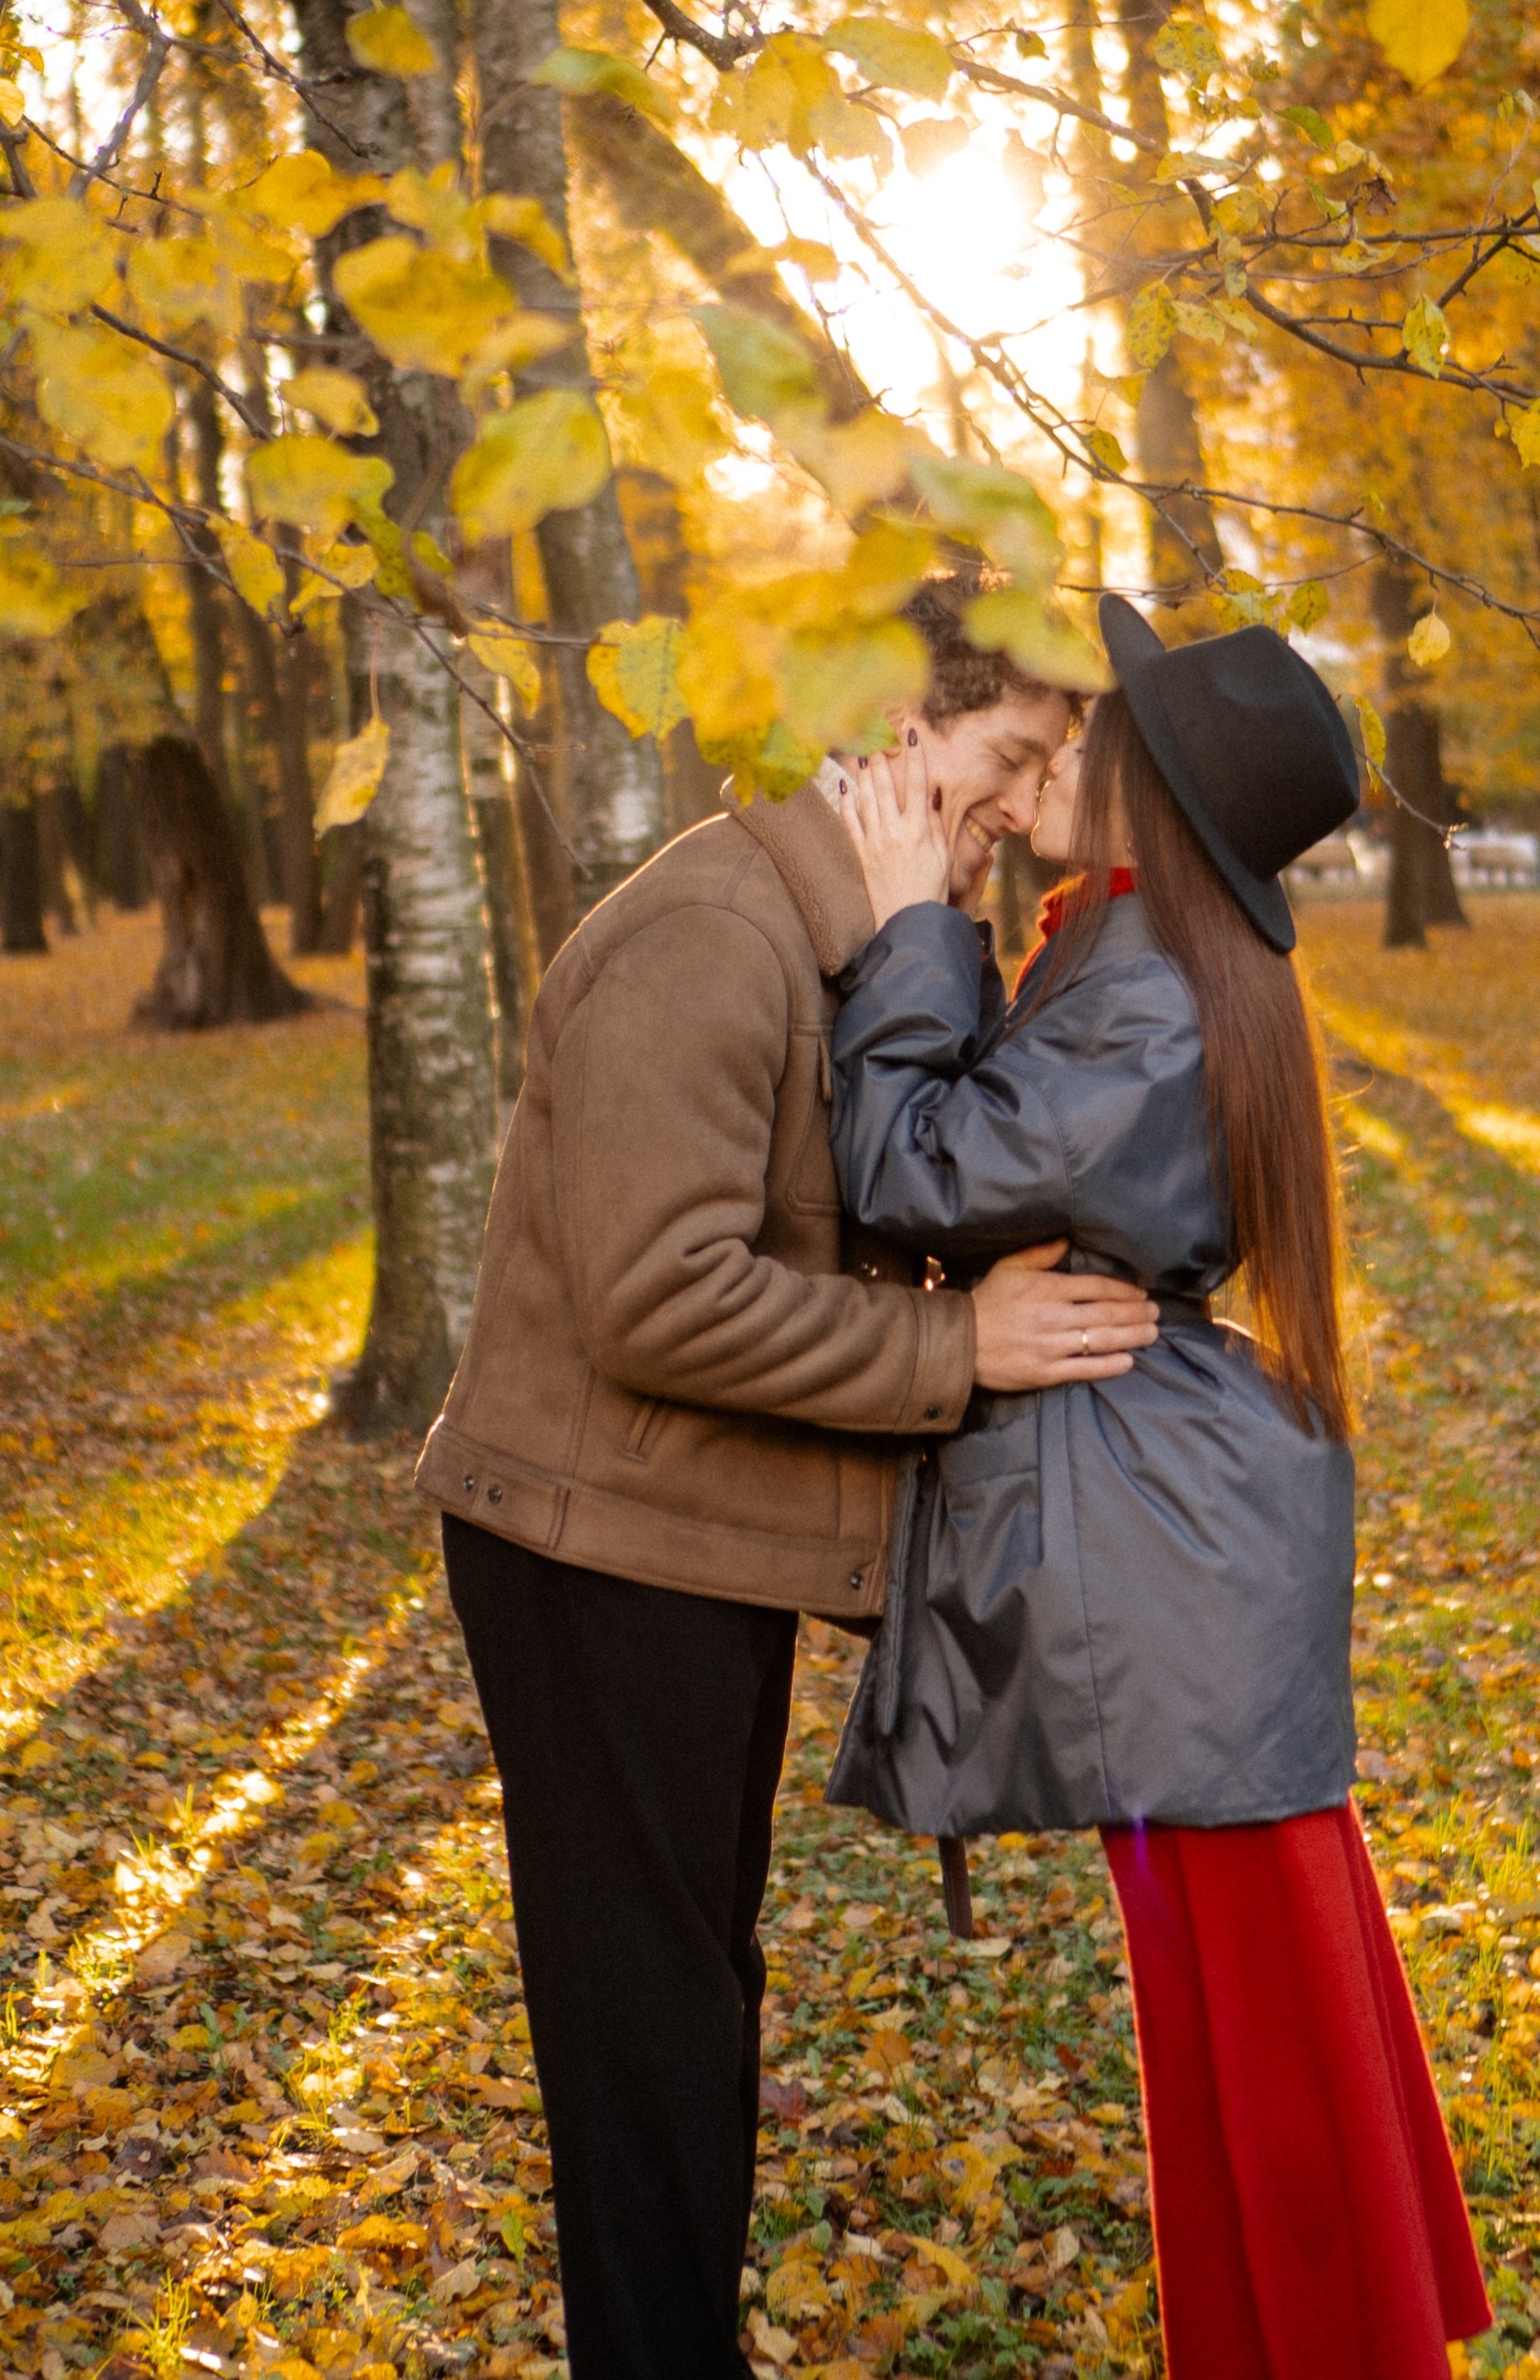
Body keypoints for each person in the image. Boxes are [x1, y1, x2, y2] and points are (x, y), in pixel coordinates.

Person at [416, 577, 1160, 2380]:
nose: (1024, 805)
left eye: (1046, 768)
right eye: (1008, 758)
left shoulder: (864, 932)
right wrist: (955, 1350)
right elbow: (660, 1298)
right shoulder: (710, 930)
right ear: (896, 733)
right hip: (593, 1556)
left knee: (690, 1997)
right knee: (646, 2030)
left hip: (692, 1543)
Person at [826, 592, 1491, 2380]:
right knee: (1234, 2014)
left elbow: (913, 1166)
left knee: (1263, 2021)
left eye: (1091, 731)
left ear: (1152, 793)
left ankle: (1343, 2348)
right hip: (1177, 1544)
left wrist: (909, 925)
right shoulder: (1119, 953)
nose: (1060, 744)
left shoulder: (1138, 990)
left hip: (1172, 1569)